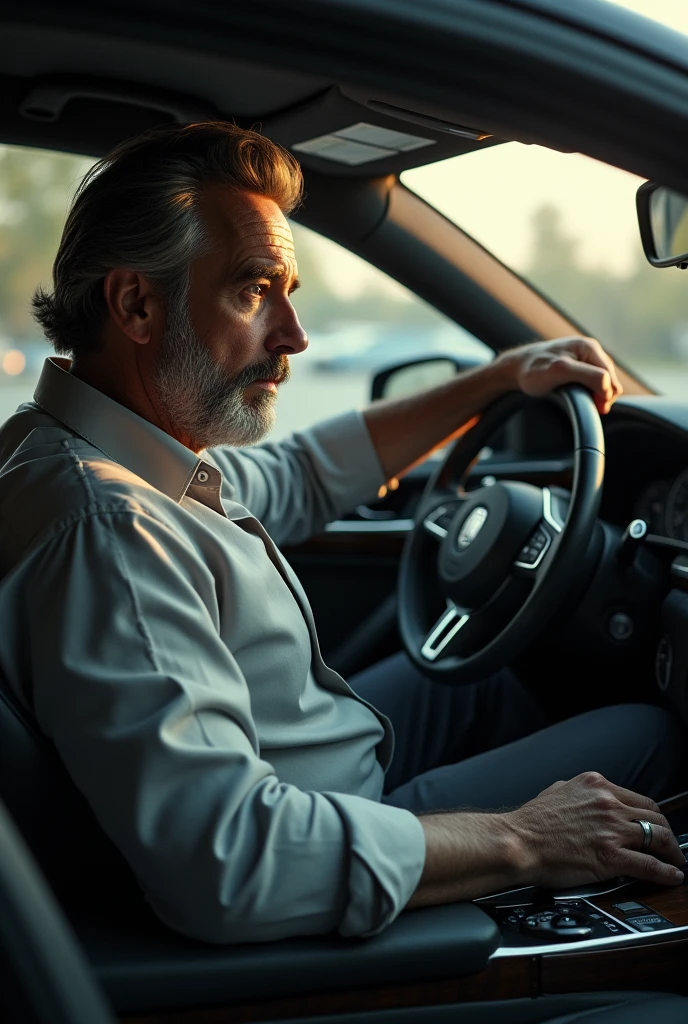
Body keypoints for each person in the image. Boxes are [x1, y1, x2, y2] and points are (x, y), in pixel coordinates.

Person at [0, 122, 684, 946]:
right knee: (646, 735)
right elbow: (230, 863)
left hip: (321, 776)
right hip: (324, 827)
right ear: (136, 305)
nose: (294, 336)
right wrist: (527, 840)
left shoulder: (103, 451)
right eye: (255, 289)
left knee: (497, 678)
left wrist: (501, 377)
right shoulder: (109, 530)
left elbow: (305, 474)